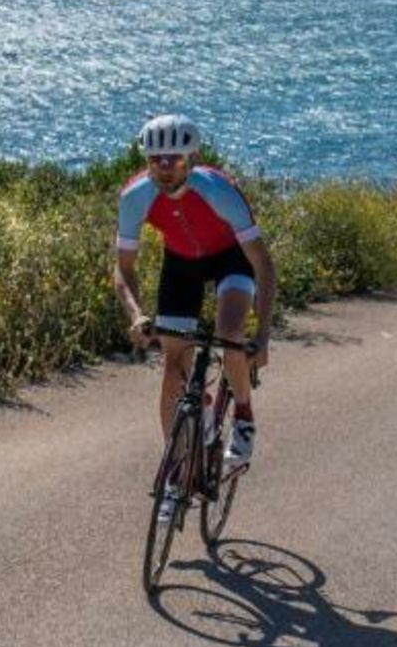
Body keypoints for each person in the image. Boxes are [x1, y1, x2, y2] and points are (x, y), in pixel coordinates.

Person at [112, 113, 275, 511]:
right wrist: (135, 313)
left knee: (230, 333)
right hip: (181, 263)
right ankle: (177, 470)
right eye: (156, 161)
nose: (165, 169)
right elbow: (123, 268)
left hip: (229, 259)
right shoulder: (135, 197)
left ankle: (243, 416)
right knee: (173, 364)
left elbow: (263, 266)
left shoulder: (218, 190)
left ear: (192, 158)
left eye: (175, 160)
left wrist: (264, 335)